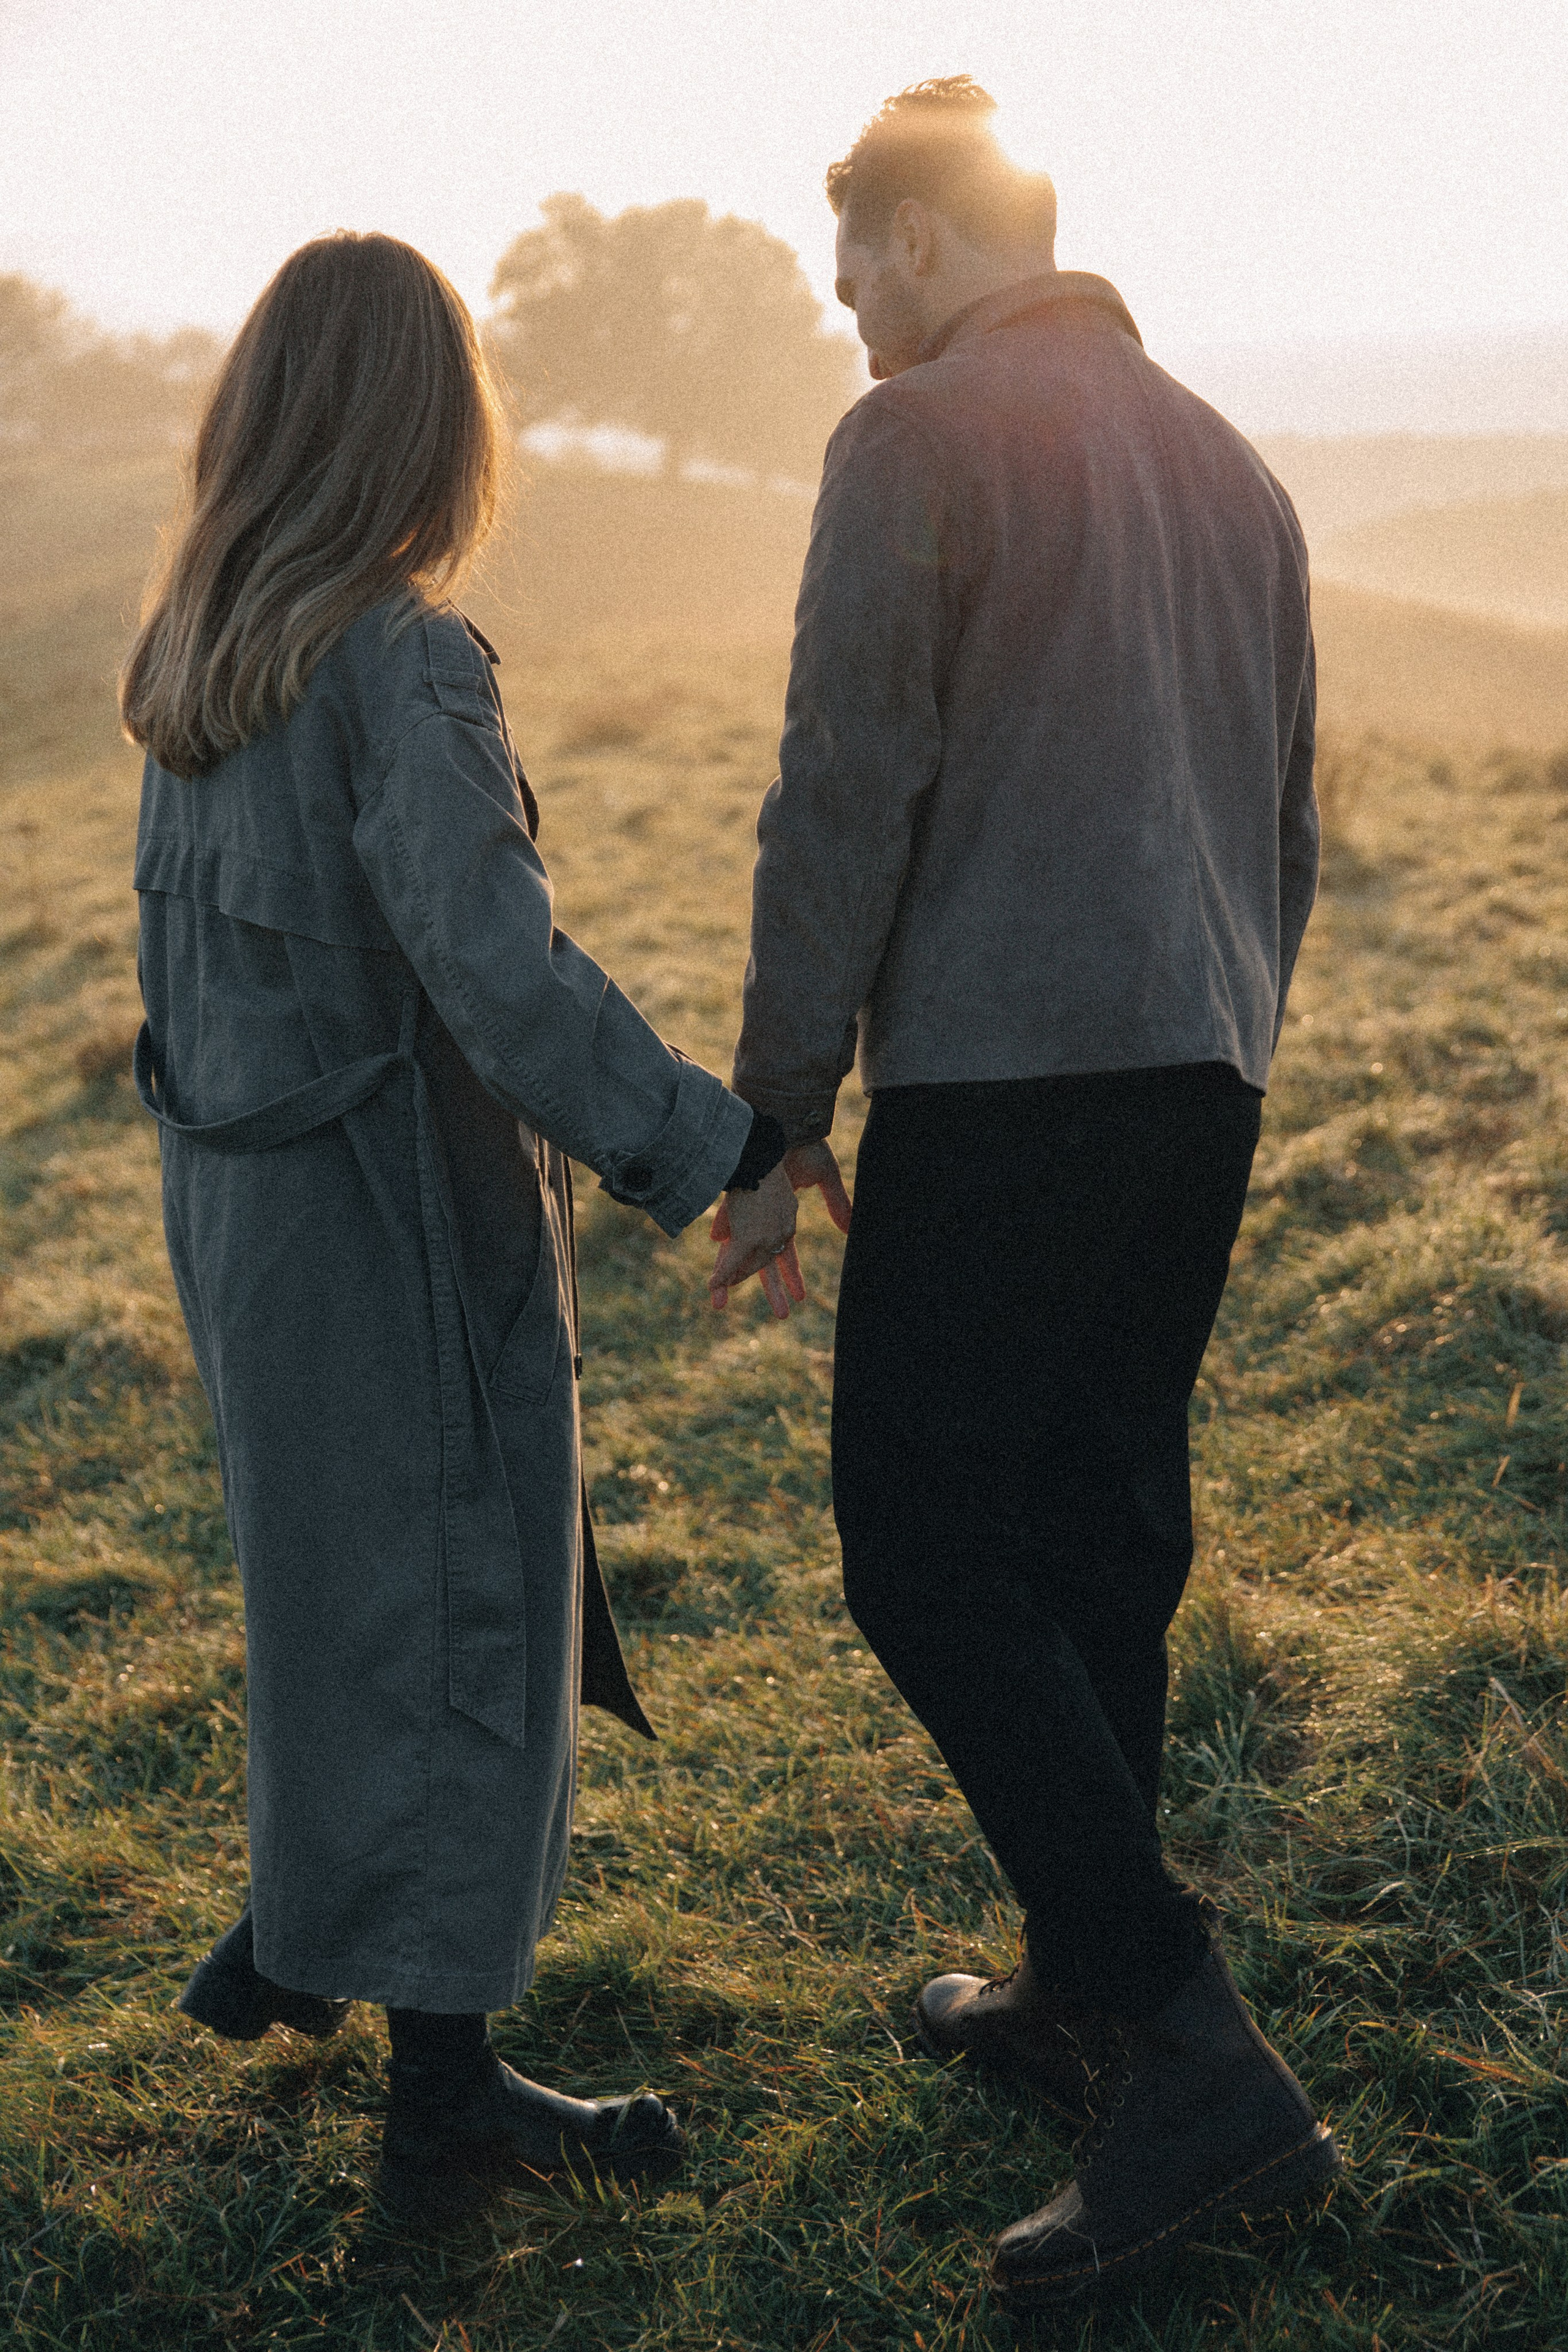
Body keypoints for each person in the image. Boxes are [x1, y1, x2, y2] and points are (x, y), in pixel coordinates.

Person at [710, 78, 1334, 2308]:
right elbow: (1289, 819)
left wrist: (779, 1116)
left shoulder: (918, 439)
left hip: (1006, 1081)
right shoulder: (1235, 463)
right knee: (1097, 1541)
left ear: (933, 237)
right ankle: (1087, 2000)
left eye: (855, 256)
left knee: (924, 1551)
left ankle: (1186, 2043)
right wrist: (1226, 1027)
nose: (845, 301)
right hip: (1205, 1069)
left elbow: (843, 786)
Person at [121, 230, 798, 2225]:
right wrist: (716, 1146)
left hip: (249, 1232)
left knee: (330, 1602)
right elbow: (501, 984)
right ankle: (447, 2111)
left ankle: (301, 1931)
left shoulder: (201, 647)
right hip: (390, 1224)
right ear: (427, 427)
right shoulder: (396, 654)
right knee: (453, 1627)